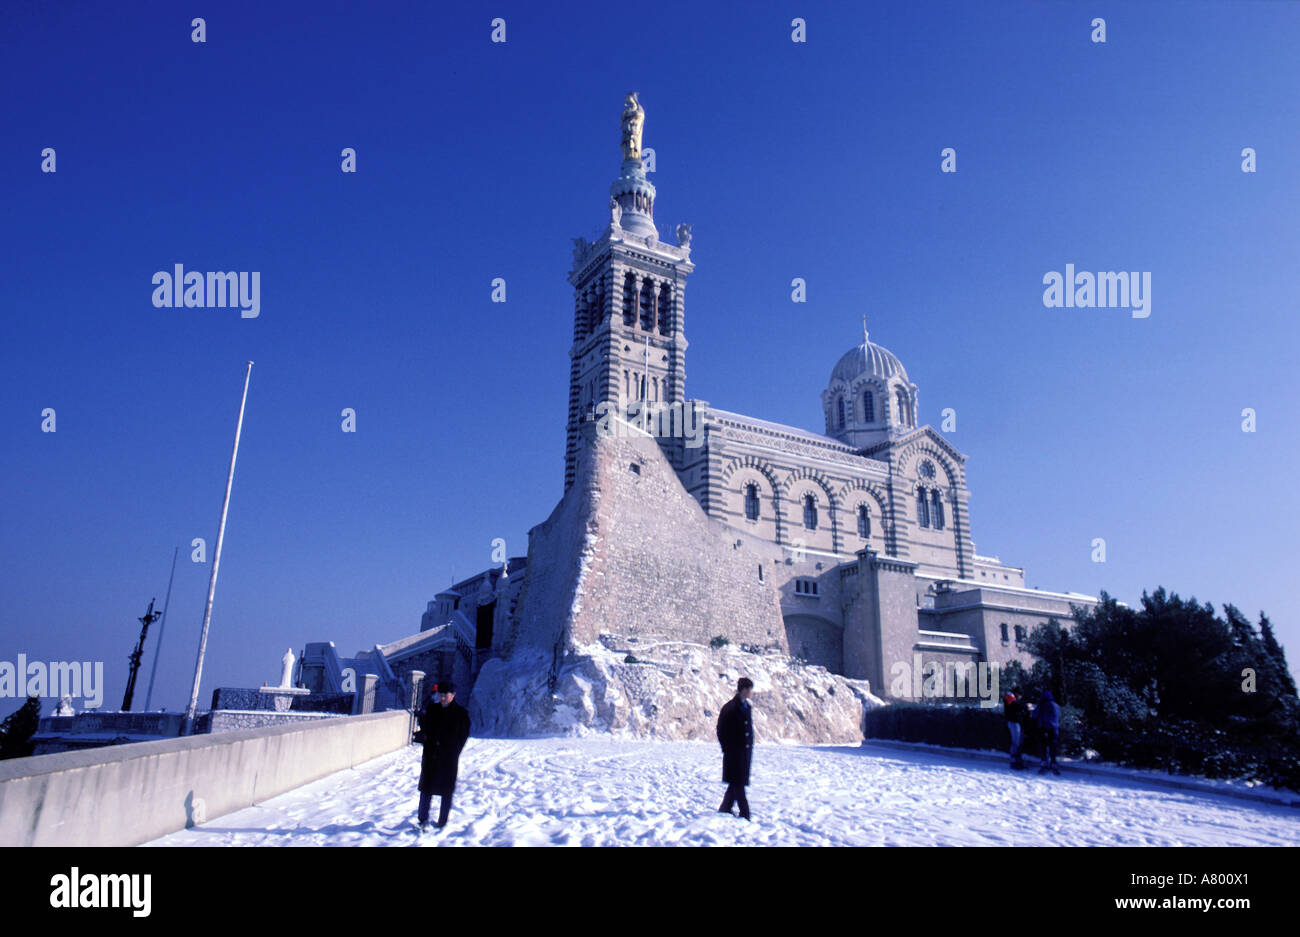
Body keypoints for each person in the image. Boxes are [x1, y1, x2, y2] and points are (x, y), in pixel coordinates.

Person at [416, 681, 471, 829]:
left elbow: (463, 736)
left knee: (446, 790)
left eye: (445, 695)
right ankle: (422, 819)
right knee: (426, 789)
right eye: (440, 695)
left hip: (448, 758)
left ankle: (442, 821)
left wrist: (453, 752)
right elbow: (425, 728)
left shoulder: (461, 714)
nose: (442, 698)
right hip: (431, 756)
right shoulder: (432, 709)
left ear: (453, 694)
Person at [716, 677, 755, 820]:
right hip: (734, 754)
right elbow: (721, 730)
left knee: (735, 784)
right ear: (744, 690)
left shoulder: (747, 707)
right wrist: (727, 749)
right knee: (738, 785)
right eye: (750, 689)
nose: (752, 692)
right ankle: (746, 815)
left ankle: (725, 809)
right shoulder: (730, 707)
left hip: (744, 755)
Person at [1035, 688, 1061, 775]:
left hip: (1044, 728)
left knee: (1044, 747)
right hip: (1054, 728)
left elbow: (1035, 715)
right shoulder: (1055, 705)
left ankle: (1044, 763)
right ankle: (1053, 763)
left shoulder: (1042, 705)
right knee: (1053, 747)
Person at [1003, 690, 1027, 769]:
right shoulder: (1010, 697)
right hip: (1013, 722)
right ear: (1017, 694)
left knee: (1017, 741)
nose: (1020, 698)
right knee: (1016, 742)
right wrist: (1025, 706)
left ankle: (1016, 759)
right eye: (1020, 696)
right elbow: (1015, 706)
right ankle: (1014, 760)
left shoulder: (1012, 699)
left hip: (1015, 722)